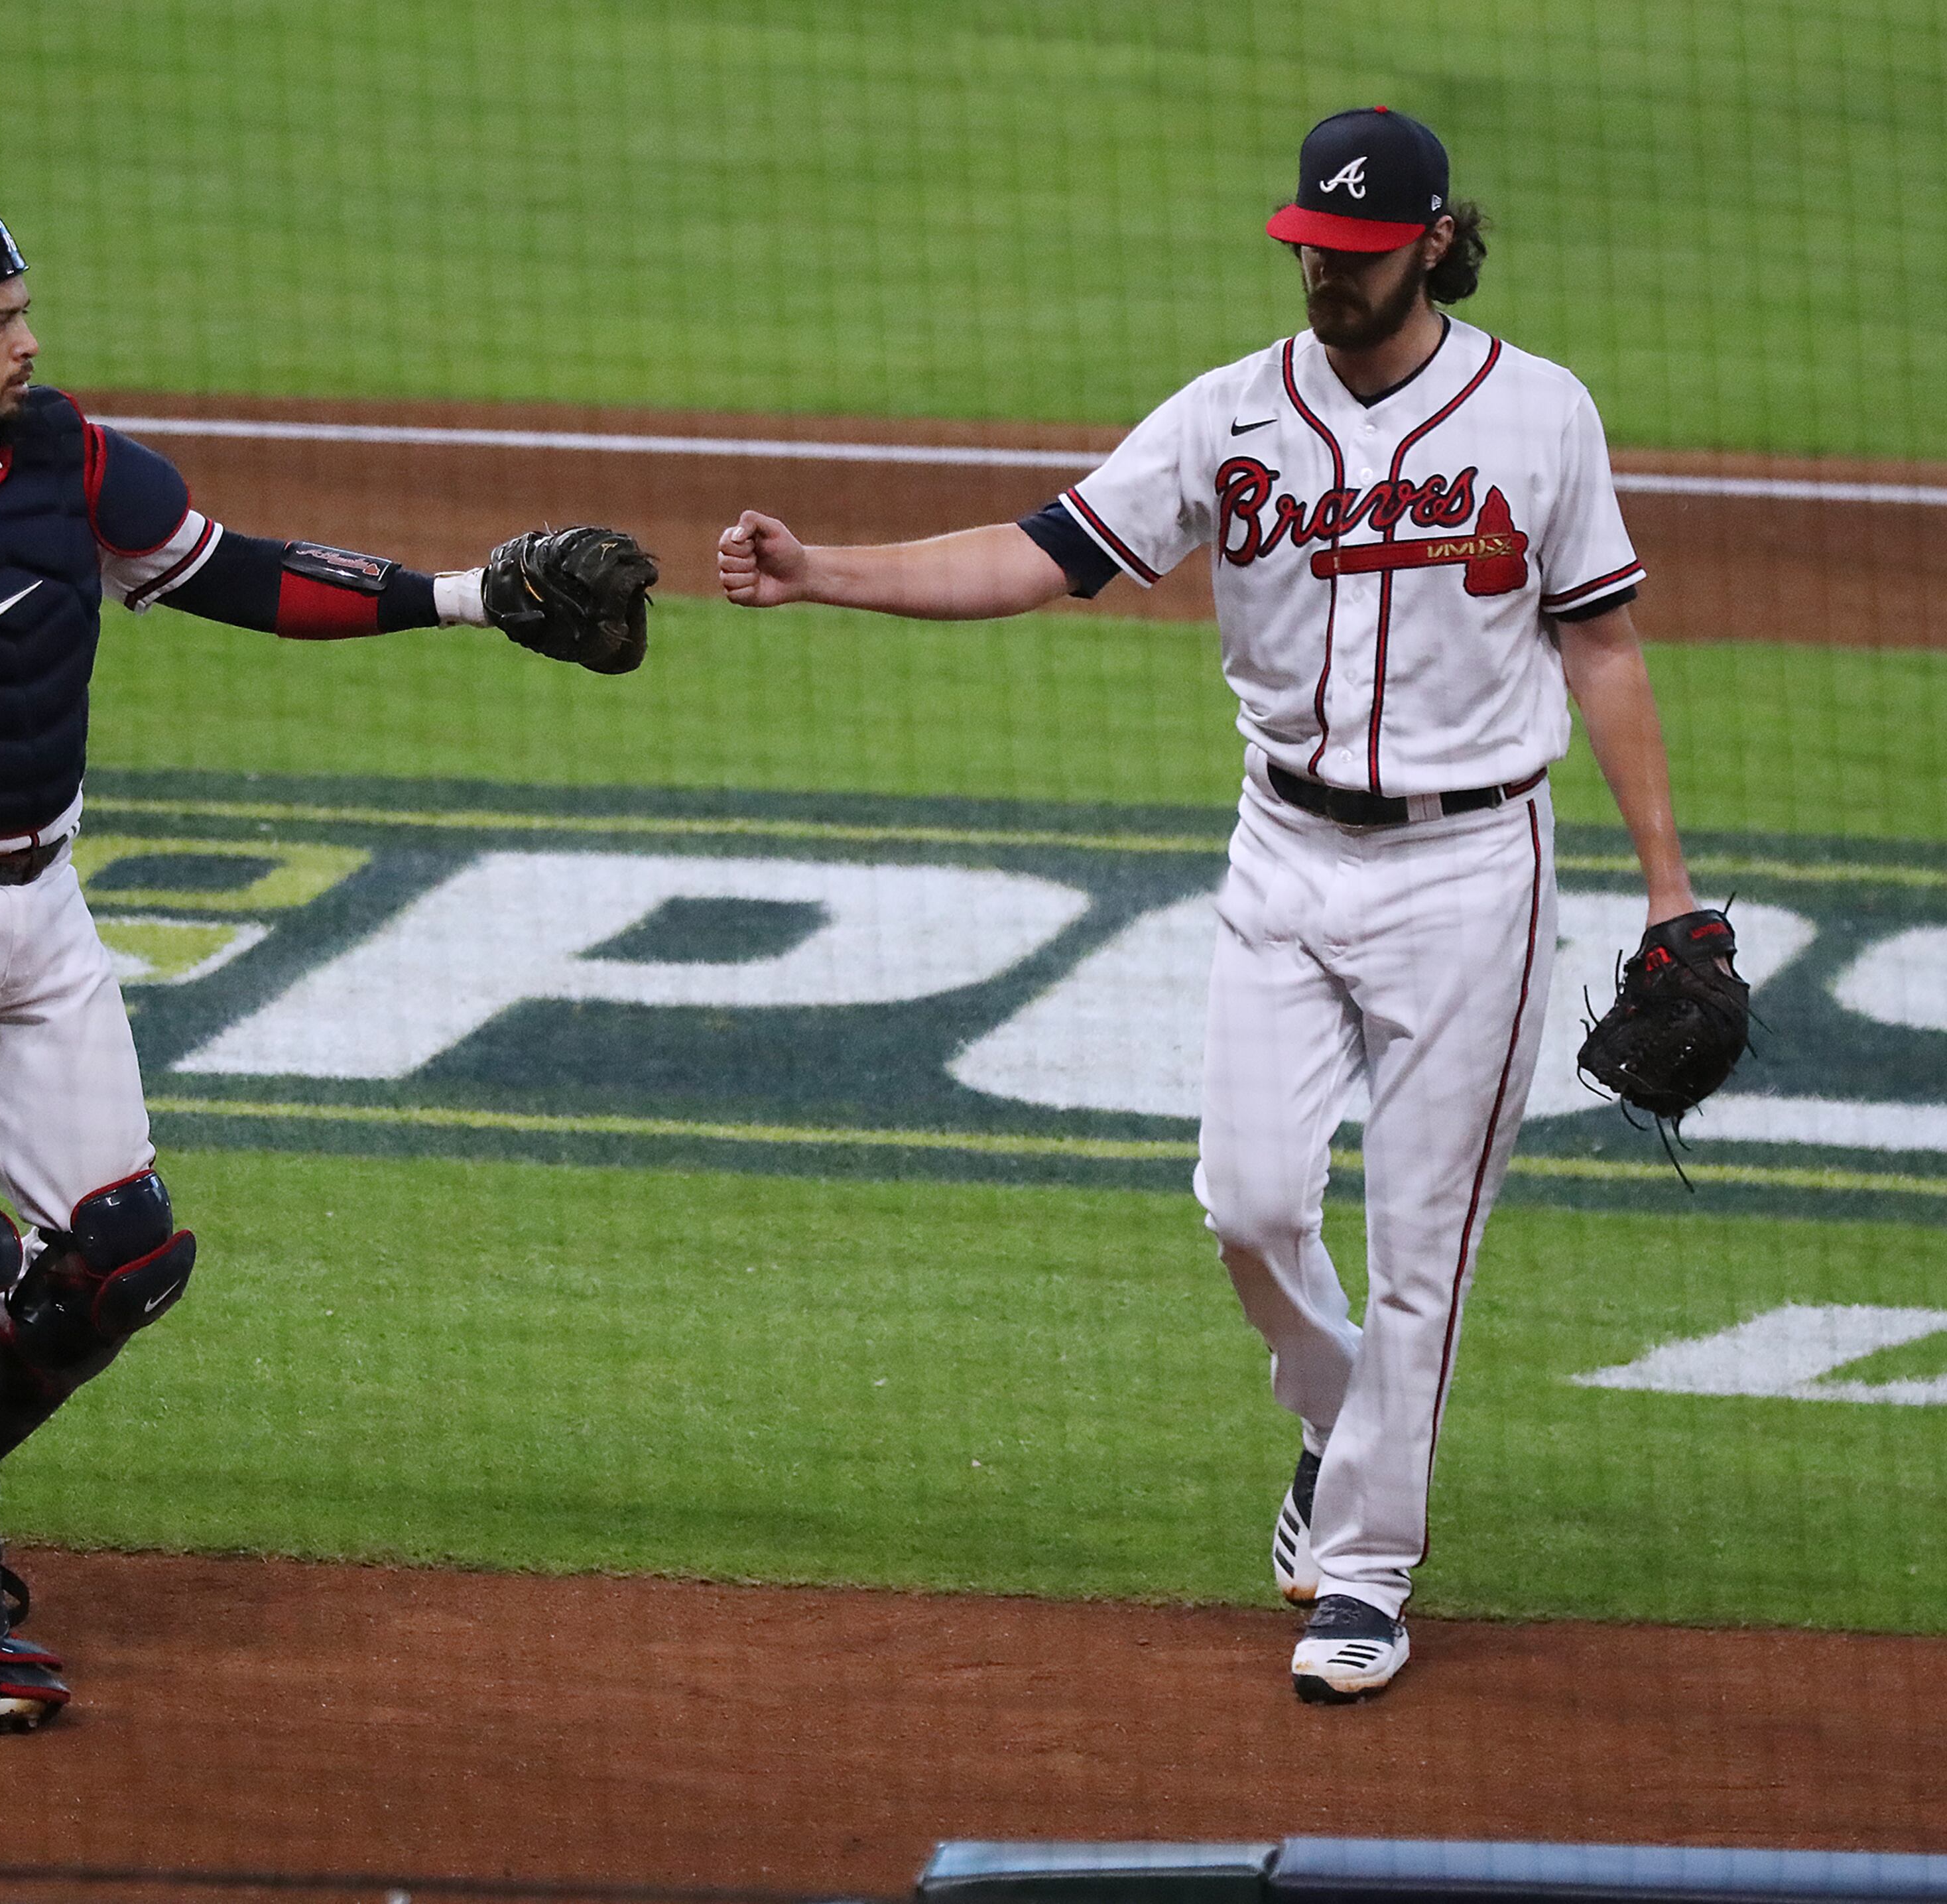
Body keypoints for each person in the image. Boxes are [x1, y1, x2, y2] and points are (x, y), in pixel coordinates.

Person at [0, 197, 650, 1731]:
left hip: (45, 907)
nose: (29, 339)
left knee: (129, 1254)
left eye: (25, 311)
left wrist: (471, 596)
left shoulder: (62, 457)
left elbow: (236, 571)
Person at [718, 109, 1710, 1702]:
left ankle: (1370, 1571)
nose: (1325, 274)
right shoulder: (1231, 415)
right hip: (1284, 855)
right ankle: (1344, 1423)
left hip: (1476, 872)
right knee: (1246, 1201)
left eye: (1358, 254)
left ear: (1437, 243)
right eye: (1308, 247)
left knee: (1420, 1253)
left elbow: (1604, 646)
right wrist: (821, 568)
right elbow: (1042, 555)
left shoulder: (1541, 417)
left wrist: (1670, 893)